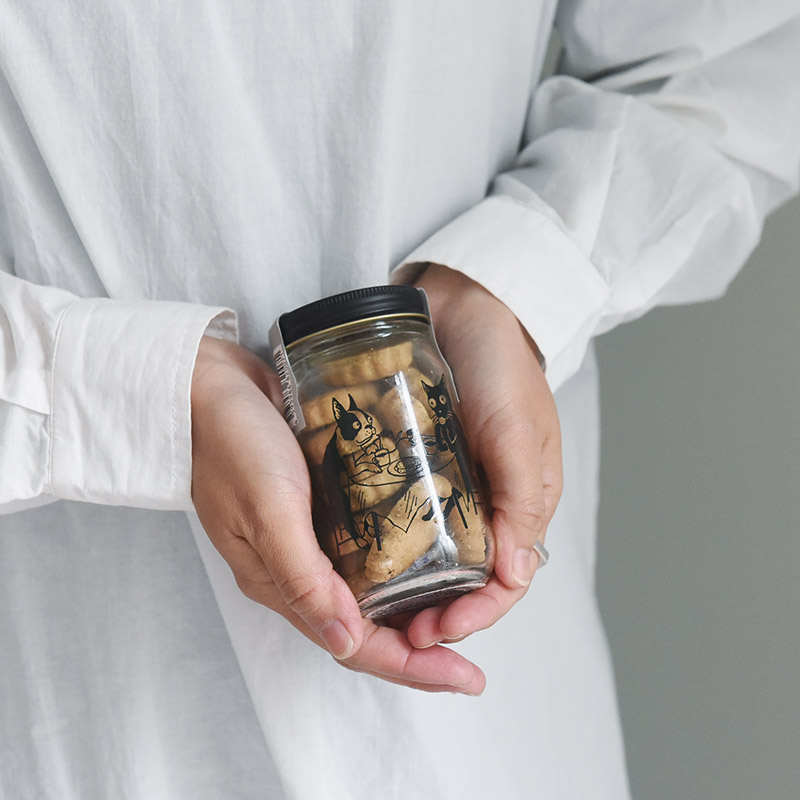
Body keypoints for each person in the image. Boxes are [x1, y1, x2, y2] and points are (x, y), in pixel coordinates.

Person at [1, 2, 798, 798]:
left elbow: (742, 58)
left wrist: (513, 285)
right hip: (76, 686)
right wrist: (124, 390)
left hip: (491, 736)